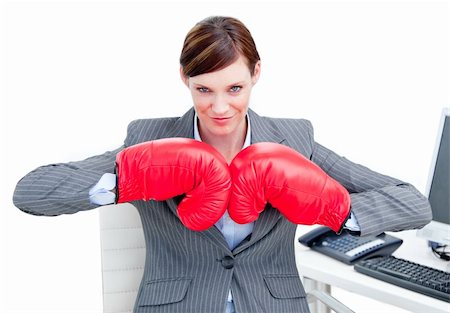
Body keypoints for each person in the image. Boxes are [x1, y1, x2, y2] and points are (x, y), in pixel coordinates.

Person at [13, 16, 432, 313]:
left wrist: (340, 212)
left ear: (256, 74)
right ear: (184, 78)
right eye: (203, 88)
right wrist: (124, 181)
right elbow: (30, 192)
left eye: (235, 87)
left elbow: (413, 204)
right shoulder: (148, 138)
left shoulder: (295, 140)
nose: (218, 107)